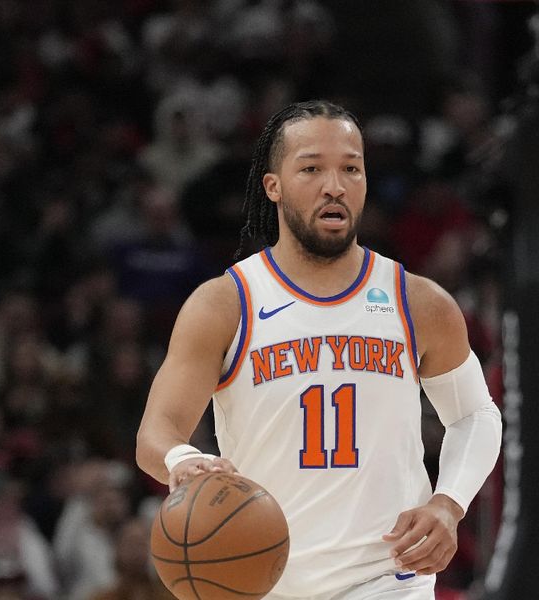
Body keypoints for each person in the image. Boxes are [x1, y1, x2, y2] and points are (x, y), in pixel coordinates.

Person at [136, 100, 502, 599]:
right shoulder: (226, 303)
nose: (335, 185)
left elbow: (475, 414)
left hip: (387, 581)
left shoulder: (418, 300)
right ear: (274, 186)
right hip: (264, 580)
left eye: (351, 168)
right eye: (312, 168)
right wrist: (181, 459)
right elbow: (156, 433)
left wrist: (449, 503)